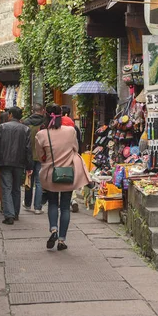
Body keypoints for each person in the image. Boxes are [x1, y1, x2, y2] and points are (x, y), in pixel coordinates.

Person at [35, 104, 91, 251]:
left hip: (50, 174)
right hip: (67, 173)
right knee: (65, 207)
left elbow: (41, 155)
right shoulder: (71, 131)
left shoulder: (42, 134)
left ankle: (53, 229)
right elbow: (75, 149)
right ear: (62, 114)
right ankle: (61, 240)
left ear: (45, 115)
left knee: (52, 203)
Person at [0, 106, 33, 225]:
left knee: (6, 187)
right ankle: (16, 213)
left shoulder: (2, 127)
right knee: (16, 188)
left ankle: (9, 215)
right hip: (19, 163)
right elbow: (28, 149)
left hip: (4, 162)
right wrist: (29, 166)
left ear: (10, 115)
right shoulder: (26, 129)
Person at [22, 103, 46, 214]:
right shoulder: (45, 123)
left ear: (32, 110)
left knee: (29, 180)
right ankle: (38, 207)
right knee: (39, 182)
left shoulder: (26, 123)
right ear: (42, 111)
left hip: (28, 155)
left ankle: (27, 204)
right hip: (42, 156)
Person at [61, 105, 81, 213]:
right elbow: (78, 144)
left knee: (60, 177)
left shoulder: (57, 126)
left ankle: (62, 199)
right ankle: (73, 199)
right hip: (71, 156)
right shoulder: (74, 128)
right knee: (71, 178)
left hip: (59, 157)